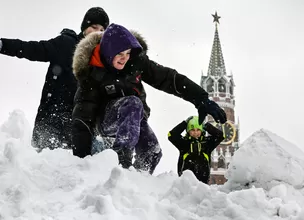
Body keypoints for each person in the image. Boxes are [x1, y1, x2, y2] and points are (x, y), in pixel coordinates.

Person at [71, 23, 227, 174]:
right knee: (132, 102)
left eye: (127, 53)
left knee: (152, 152)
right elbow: (82, 119)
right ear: (108, 52)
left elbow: (169, 78)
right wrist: (81, 160)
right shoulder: (91, 74)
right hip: (106, 120)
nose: (124, 58)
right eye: (119, 54)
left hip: (134, 117)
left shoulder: (135, 62)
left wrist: (200, 98)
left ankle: (136, 183)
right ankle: (121, 166)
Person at [0, 7, 109, 151]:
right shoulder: (66, 44)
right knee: (45, 166)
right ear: (85, 28)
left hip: (82, 125)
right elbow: (35, 49)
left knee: (87, 166)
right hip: (52, 119)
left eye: (102, 29)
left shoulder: (102, 60)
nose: (98, 32)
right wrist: (4, 45)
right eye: (94, 27)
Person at [168, 116, 224, 184]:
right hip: (185, 183)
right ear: (188, 131)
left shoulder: (207, 143)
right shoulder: (184, 143)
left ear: (202, 130)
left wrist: (206, 125)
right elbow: (171, 135)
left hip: (202, 183)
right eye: (192, 130)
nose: (195, 133)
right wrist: (184, 123)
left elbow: (221, 136)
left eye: (198, 130)